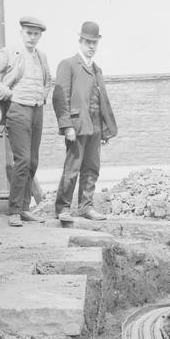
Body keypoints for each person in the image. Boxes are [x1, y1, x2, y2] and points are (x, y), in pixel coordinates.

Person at [0, 16, 51, 227]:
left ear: (40, 36)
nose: (32, 37)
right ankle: (14, 211)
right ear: (21, 32)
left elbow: (49, 79)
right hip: (17, 110)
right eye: (29, 33)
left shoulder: (41, 56)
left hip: (37, 110)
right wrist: (6, 93)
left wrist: (43, 95)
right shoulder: (10, 53)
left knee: (33, 161)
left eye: (36, 34)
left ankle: (25, 208)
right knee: (23, 160)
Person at [53, 21, 118, 220]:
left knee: (92, 168)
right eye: (88, 42)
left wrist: (105, 130)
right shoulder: (68, 64)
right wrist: (67, 126)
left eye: (94, 43)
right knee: (72, 169)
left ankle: (85, 207)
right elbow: (60, 97)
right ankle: (63, 208)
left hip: (95, 127)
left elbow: (102, 102)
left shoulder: (97, 69)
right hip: (77, 126)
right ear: (80, 41)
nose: (91, 46)